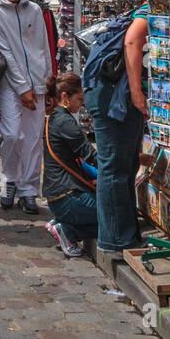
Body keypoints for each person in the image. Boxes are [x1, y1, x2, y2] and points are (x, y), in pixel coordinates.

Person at [0, 0, 53, 215]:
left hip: (38, 83)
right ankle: (9, 180)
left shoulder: (35, 10)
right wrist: (23, 88)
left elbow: (44, 48)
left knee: (34, 140)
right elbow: (5, 53)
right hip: (10, 84)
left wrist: (47, 83)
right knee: (13, 135)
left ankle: (29, 190)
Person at [86, 7, 148, 257]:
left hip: (114, 95)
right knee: (114, 167)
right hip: (113, 96)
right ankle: (114, 239)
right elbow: (132, 41)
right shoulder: (147, 12)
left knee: (126, 164)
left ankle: (125, 234)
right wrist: (136, 93)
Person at [42, 73, 98, 257]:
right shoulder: (65, 122)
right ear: (65, 97)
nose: (81, 104)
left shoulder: (55, 117)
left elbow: (79, 160)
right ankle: (68, 231)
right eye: (79, 99)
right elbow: (89, 155)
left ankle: (61, 223)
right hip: (67, 197)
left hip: (58, 194)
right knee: (117, 217)